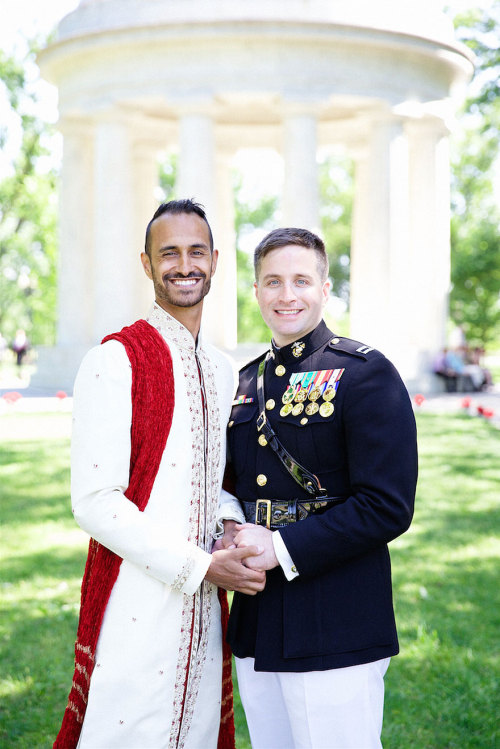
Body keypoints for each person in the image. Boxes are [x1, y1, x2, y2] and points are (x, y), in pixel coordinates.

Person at [54, 199, 266, 749]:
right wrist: (201, 567)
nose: (184, 264)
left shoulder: (221, 368)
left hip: (206, 601)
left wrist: (227, 526)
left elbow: (215, 476)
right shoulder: (115, 359)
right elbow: (96, 501)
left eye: (196, 251)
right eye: (167, 252)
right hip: (138, 598)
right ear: (146, 264)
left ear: (216, 261)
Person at [219, 227, 418, 749]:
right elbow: (227, 483)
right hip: (259, 616)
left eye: (301, 281)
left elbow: (386, 506)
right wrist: (228, 527)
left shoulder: (365, 374)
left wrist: (279, 547)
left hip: (337, 616)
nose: (287, 295)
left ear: (325, 288)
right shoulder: (244, 384)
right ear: (256, 291)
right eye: (273, 282)